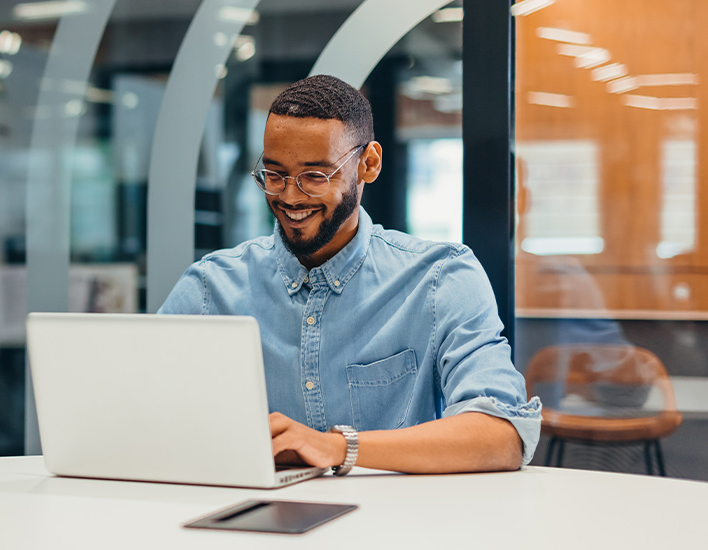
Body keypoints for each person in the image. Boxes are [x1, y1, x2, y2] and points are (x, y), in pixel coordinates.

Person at [159, 75, 542, 474]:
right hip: (254, 511)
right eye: (274, 175)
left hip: (400, 512)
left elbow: (502, 435)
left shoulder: (441, 279)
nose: (290, 196)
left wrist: (338, 448)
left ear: (368, 164)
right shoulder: (209, 288)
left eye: (315, 177)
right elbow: (135, 408)